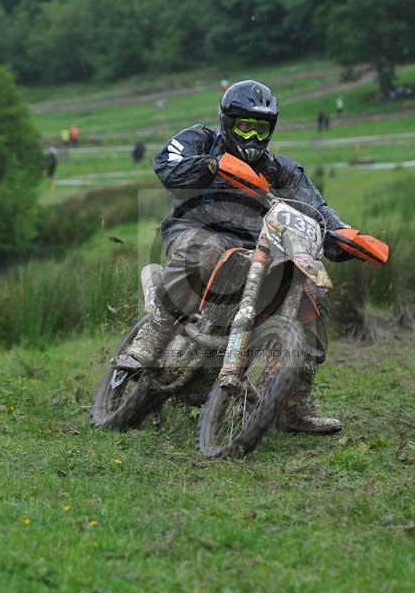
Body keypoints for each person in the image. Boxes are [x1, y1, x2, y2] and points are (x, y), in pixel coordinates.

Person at [118, 80, 358, 434]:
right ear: (227, 122)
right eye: (245, 126)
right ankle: (152, 335)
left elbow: (317, 209)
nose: (253, 137)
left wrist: (346, 236)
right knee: (208, 249)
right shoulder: (197, 141)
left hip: (256, 251)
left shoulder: (281, 170)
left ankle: (293, 402)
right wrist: (213, 165)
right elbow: (167, 166)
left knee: (312, 284)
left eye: (261, 129)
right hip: (194, 232)